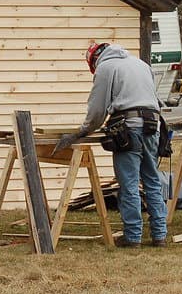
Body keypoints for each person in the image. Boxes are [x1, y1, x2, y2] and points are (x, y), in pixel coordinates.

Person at [53, 42, 168, 248]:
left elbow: (97, 110)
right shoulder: (141, 64)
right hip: (153, 125)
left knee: (129, 183)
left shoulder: (106, 68)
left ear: (95, 61)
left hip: (128, 127)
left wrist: (82, 131)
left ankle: (133, 237)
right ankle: (159, 235)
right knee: (151, 179)